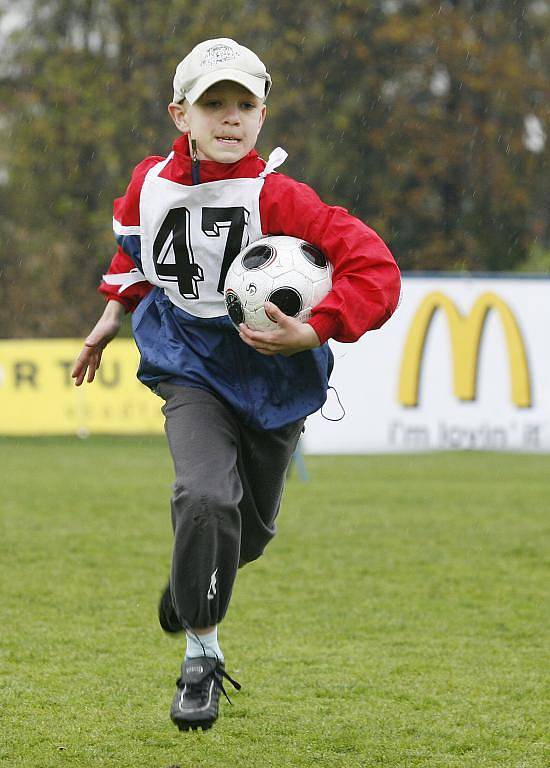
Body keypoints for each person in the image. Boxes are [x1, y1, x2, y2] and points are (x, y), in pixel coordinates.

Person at [72, 37, 401, 732]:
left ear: (262, 114)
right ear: (179, 114)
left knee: (246, 535)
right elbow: (134, 251)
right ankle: (201, 657)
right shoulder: (148, 184)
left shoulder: (281, 197)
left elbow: (376, 270)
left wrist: (315, 330)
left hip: (274, 379)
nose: (229, 118)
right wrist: (110, 315)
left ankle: (190, 587)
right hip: (187, 365)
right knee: (203, 495)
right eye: (212, 104)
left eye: (243, 104)